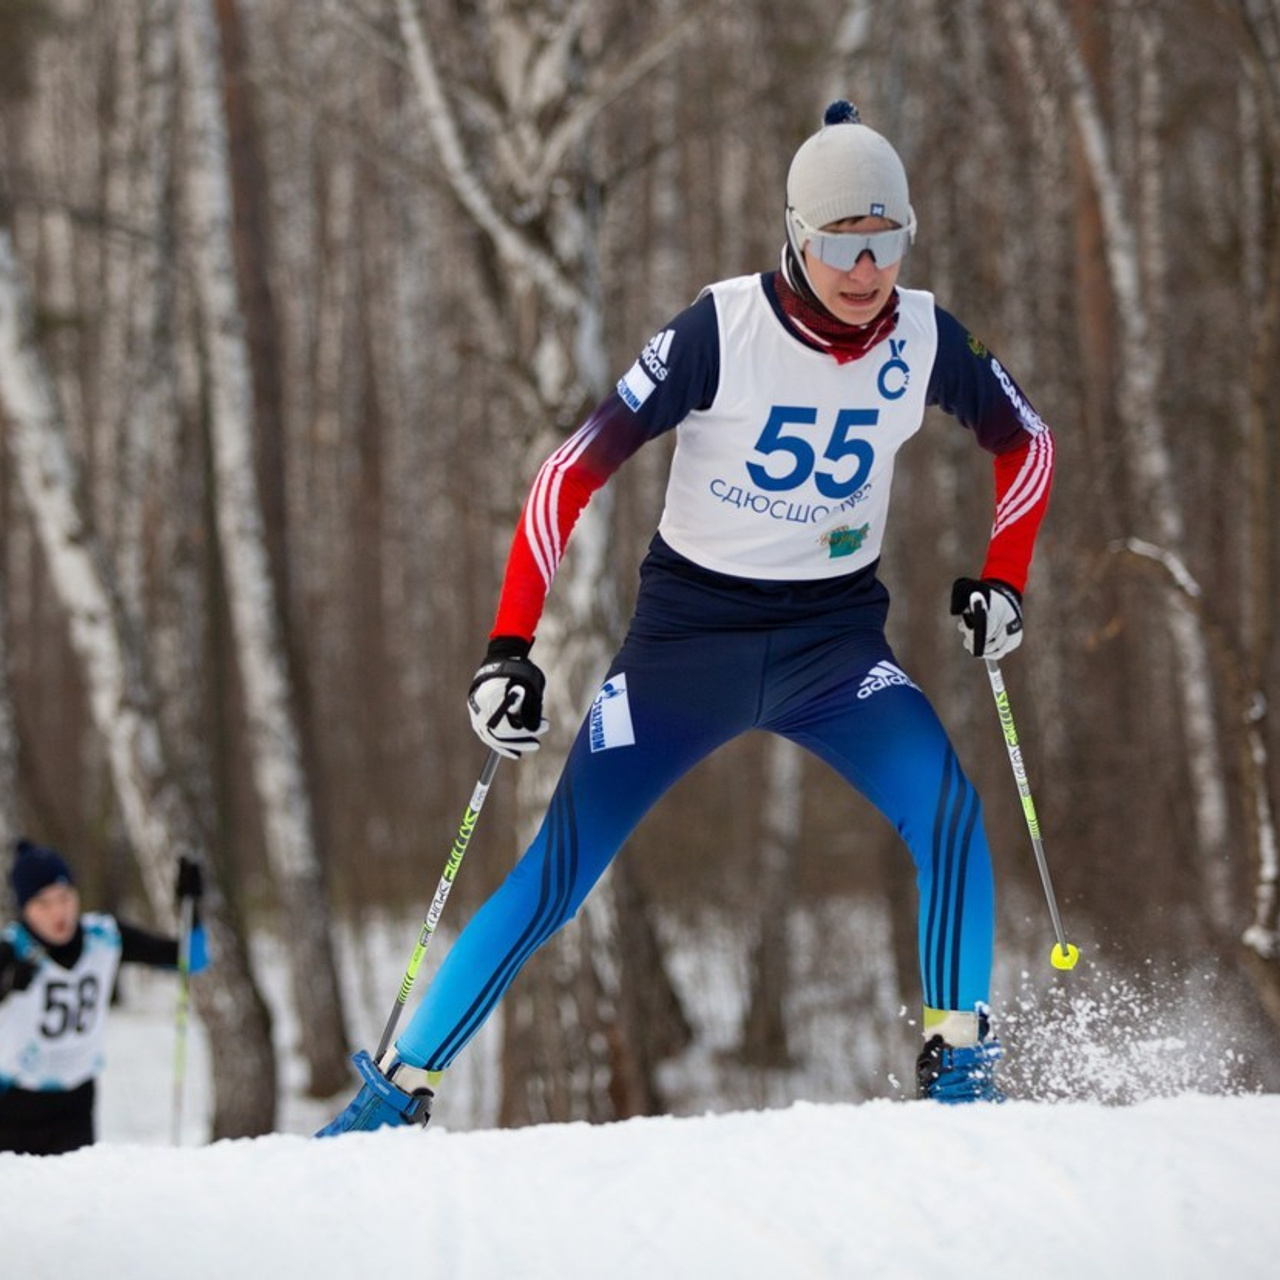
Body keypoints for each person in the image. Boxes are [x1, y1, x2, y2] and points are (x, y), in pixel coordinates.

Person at [320, 98, 1054, 1134]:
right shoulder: (719, 328)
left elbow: (1028, 442)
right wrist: (506, 647)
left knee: (946, 810)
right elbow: (566, 475)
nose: (865, 271)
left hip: (832, 650)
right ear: (795, 237)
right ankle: (392, 1095)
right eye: (840, 244)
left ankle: (959, 1071)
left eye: (886, 242)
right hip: (684, 650)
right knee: (560, 872)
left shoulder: (927, 337)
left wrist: (1004, 581)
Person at [0, 838, 209, 1155]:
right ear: (24, 909)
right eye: (42, 903)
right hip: (14, 1106)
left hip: (76, 1104)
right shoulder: (12, 949)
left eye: (64, 897)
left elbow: (190, 960)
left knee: (74, 1201)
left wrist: (192, 909)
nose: (59, 911)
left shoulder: (104, 937)